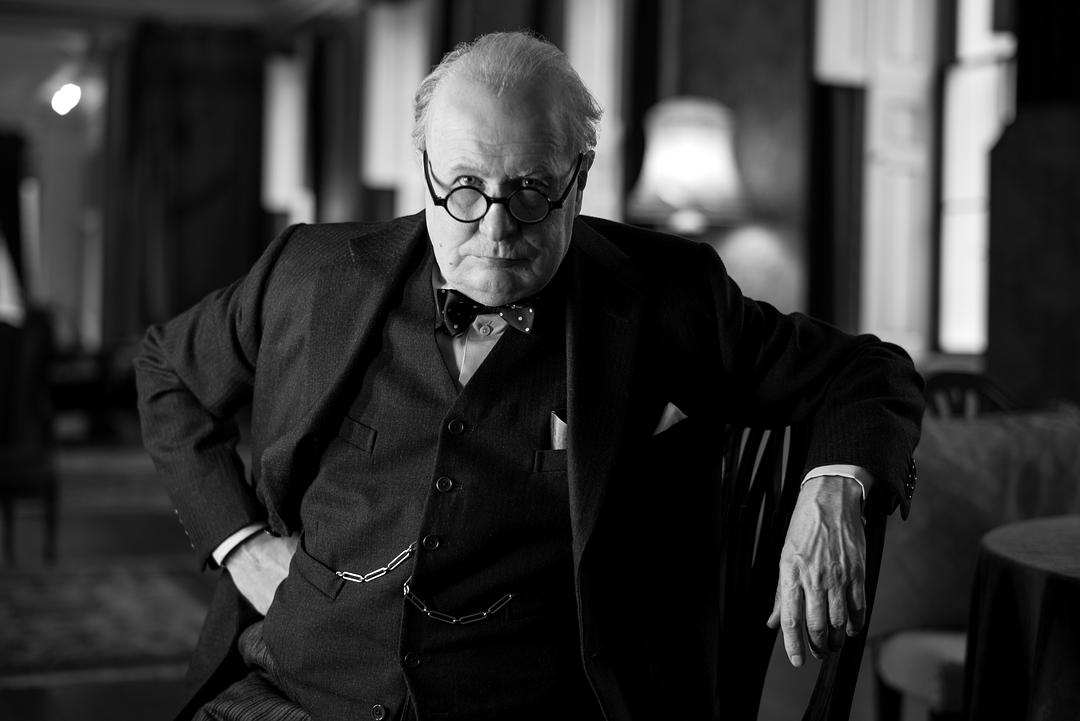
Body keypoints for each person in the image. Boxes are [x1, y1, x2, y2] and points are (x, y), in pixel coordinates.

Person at [135, 31, 923, 721]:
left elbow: (868, 371)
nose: (496, 228)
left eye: (532, 191)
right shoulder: (311, 275)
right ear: (425, 167)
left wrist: (835, 486)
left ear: (580, 175)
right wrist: (240, 543)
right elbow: (166, 365)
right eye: (464, 187)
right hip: (290, 695)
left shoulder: (666, 297)